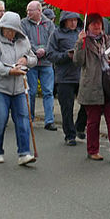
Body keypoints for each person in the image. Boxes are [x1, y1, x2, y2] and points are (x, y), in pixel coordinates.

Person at [0, 11, 38, 165]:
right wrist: (9, 71)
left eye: (12, 30)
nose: (9, 33)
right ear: (1, 27)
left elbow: (34, 58)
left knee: (23, 118)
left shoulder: (24, 40)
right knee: (0, 117)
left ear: (17, 30)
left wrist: (26, 59)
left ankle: (24, 153)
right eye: (6, 29)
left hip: (19, 87)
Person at [74, 13, 110, 161]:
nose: (97, 26)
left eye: (99, 23)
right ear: (87, 25)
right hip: (92, 86)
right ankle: (93, 150)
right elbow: (78, 62)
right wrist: (79, 43)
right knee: (93, 121)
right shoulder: (83, 41)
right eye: (93, 24)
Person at [47, 11, 83, 146]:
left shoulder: (82, 33)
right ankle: (70, 134)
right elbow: (50, 54)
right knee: (67, 108)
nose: (73, 23)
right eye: (70, 20)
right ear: (64, 21)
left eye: (75, 20)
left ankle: (79, 125)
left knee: (88, 104)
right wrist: (66, 55)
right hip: (64, 77)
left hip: (82, 76)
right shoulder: (56, 34)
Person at [21, 0, 57, 131]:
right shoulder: (23, 23)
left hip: (47, 62)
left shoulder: (49, 24)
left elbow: (53, 40)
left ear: (39, 11)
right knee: (31, 91)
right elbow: (24, 40)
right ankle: (29, 118)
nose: (28, 13)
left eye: (30, 10)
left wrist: (45, 50)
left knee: (48, 91)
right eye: (27, 11)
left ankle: (49, 120)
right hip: (31, 62)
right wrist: (36, 50)